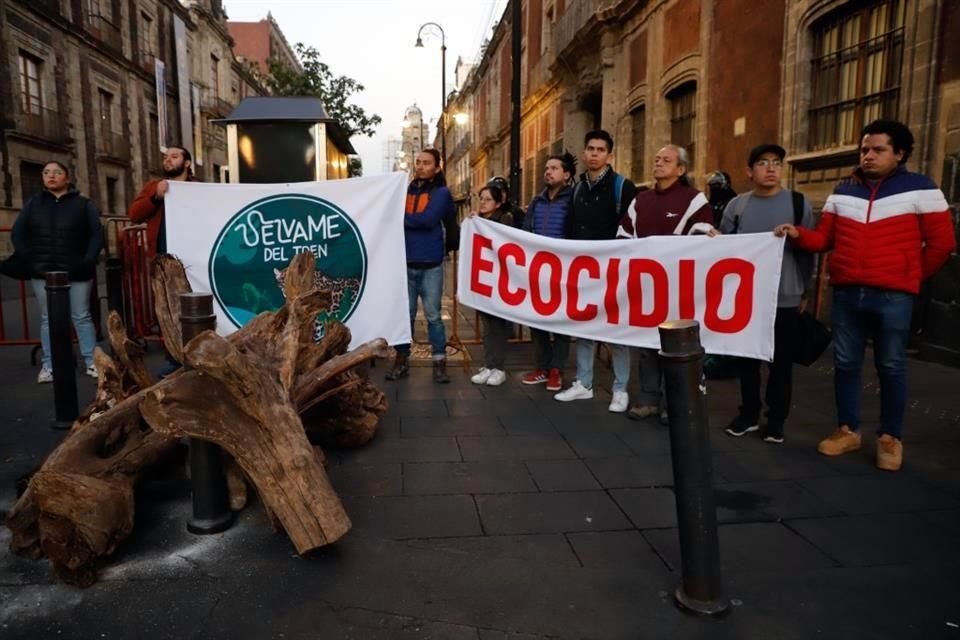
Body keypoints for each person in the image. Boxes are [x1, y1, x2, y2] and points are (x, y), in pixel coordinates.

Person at [774, 120, 956, 471]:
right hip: (847, 294)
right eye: (864, 150)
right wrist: (797, 233)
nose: (868, 155)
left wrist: (911, 277)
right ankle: (848, 430)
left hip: (893, 296)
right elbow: (824, 239)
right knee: (845, 363)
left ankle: (890, 437)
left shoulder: (922, 188)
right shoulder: (844, 191)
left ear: (899, 153)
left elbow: (942, 243)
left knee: (890, 365)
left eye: (878, 150)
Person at [709, 144, 814, 444]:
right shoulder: (737, 207)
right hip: (748, 296)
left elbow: (809, 249)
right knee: (747, 360)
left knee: (781, 362)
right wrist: (716, 242)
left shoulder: (798, 203)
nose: (771, 169)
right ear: (749, 171)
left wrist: (804, 289)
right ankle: (749, 413)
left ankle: (776, 419)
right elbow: (727, 251)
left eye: (777, 163)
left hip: (785, 295)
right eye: (763, 163)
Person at [618, 144, 714, 423]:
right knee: (647, 344)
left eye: (666, 160)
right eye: (657, 158)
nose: (658, 163)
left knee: (677, 346)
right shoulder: (640, 200)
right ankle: (648, 398)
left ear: (681, 169)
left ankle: (676, 403)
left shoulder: (695, 200)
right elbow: (623, 234)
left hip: (680, 288)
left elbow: (704, 234)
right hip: (647, 287)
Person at [555, 130, 638, 412]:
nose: (594, 154)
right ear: (583, 153)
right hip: (584, 272)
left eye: (600, 150)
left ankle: (620, 389)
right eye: (590, 148)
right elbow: (569, 228)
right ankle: (584, 384)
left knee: (616, 332)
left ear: (609, 155)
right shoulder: (577, 188)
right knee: (585, 327)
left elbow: (632, 230)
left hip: (614, 272)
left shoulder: (622, 187)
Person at [11, 161, 103, 383]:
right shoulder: (33, 204)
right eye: (46, 172)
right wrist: (30, 258)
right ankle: (49, 365)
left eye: (57, 172)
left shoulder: (83, 204)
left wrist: (88, 259)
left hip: (76, 271)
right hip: (43, 272)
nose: (51, 175)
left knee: (80, 316)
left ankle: (93, 362)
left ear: (67, 178)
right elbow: (17, 233)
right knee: (47, 318)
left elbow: (96, 234)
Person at [386, 148, 455, 384]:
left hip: (430, 264)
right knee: (405, 315)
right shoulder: (405, 191)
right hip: (405, 262)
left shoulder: (442, 192)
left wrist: (399, 219)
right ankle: (401, 360)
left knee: (434, 315)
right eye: (418, 162)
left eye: (426, 163)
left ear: (437, 167)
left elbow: (428, 220)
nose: (420, 166)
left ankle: (439, 362)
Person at [520, 153, 576, 392]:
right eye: (546, 168)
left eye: (554, 168)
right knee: (537, 320)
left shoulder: (573, 199)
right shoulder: (537, 202)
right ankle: (542, 367)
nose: (548, 172)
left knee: (561, 323)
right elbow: (525, 231)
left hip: (564, 270)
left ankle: (556, 370)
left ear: (566, 175)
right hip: (539, 269)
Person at [467, 185, 514, 387]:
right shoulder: (479, 221)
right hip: (485, 278)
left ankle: (499, 368)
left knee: (498, 325)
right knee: (487, 324)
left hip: (500, 279)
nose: (483, 202)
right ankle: (489, 364)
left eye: (487, 199)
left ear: (498, 202)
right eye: (481, 198)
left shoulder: (505, 220)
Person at [128, 145, 195, 254]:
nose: (168, 160)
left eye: (174, 157)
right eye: (165, 158)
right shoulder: (153, 186)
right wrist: (156, 197)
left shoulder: (198, 188)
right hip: (162, 251)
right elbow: (134, 215)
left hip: (192, 248)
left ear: (187, 163)